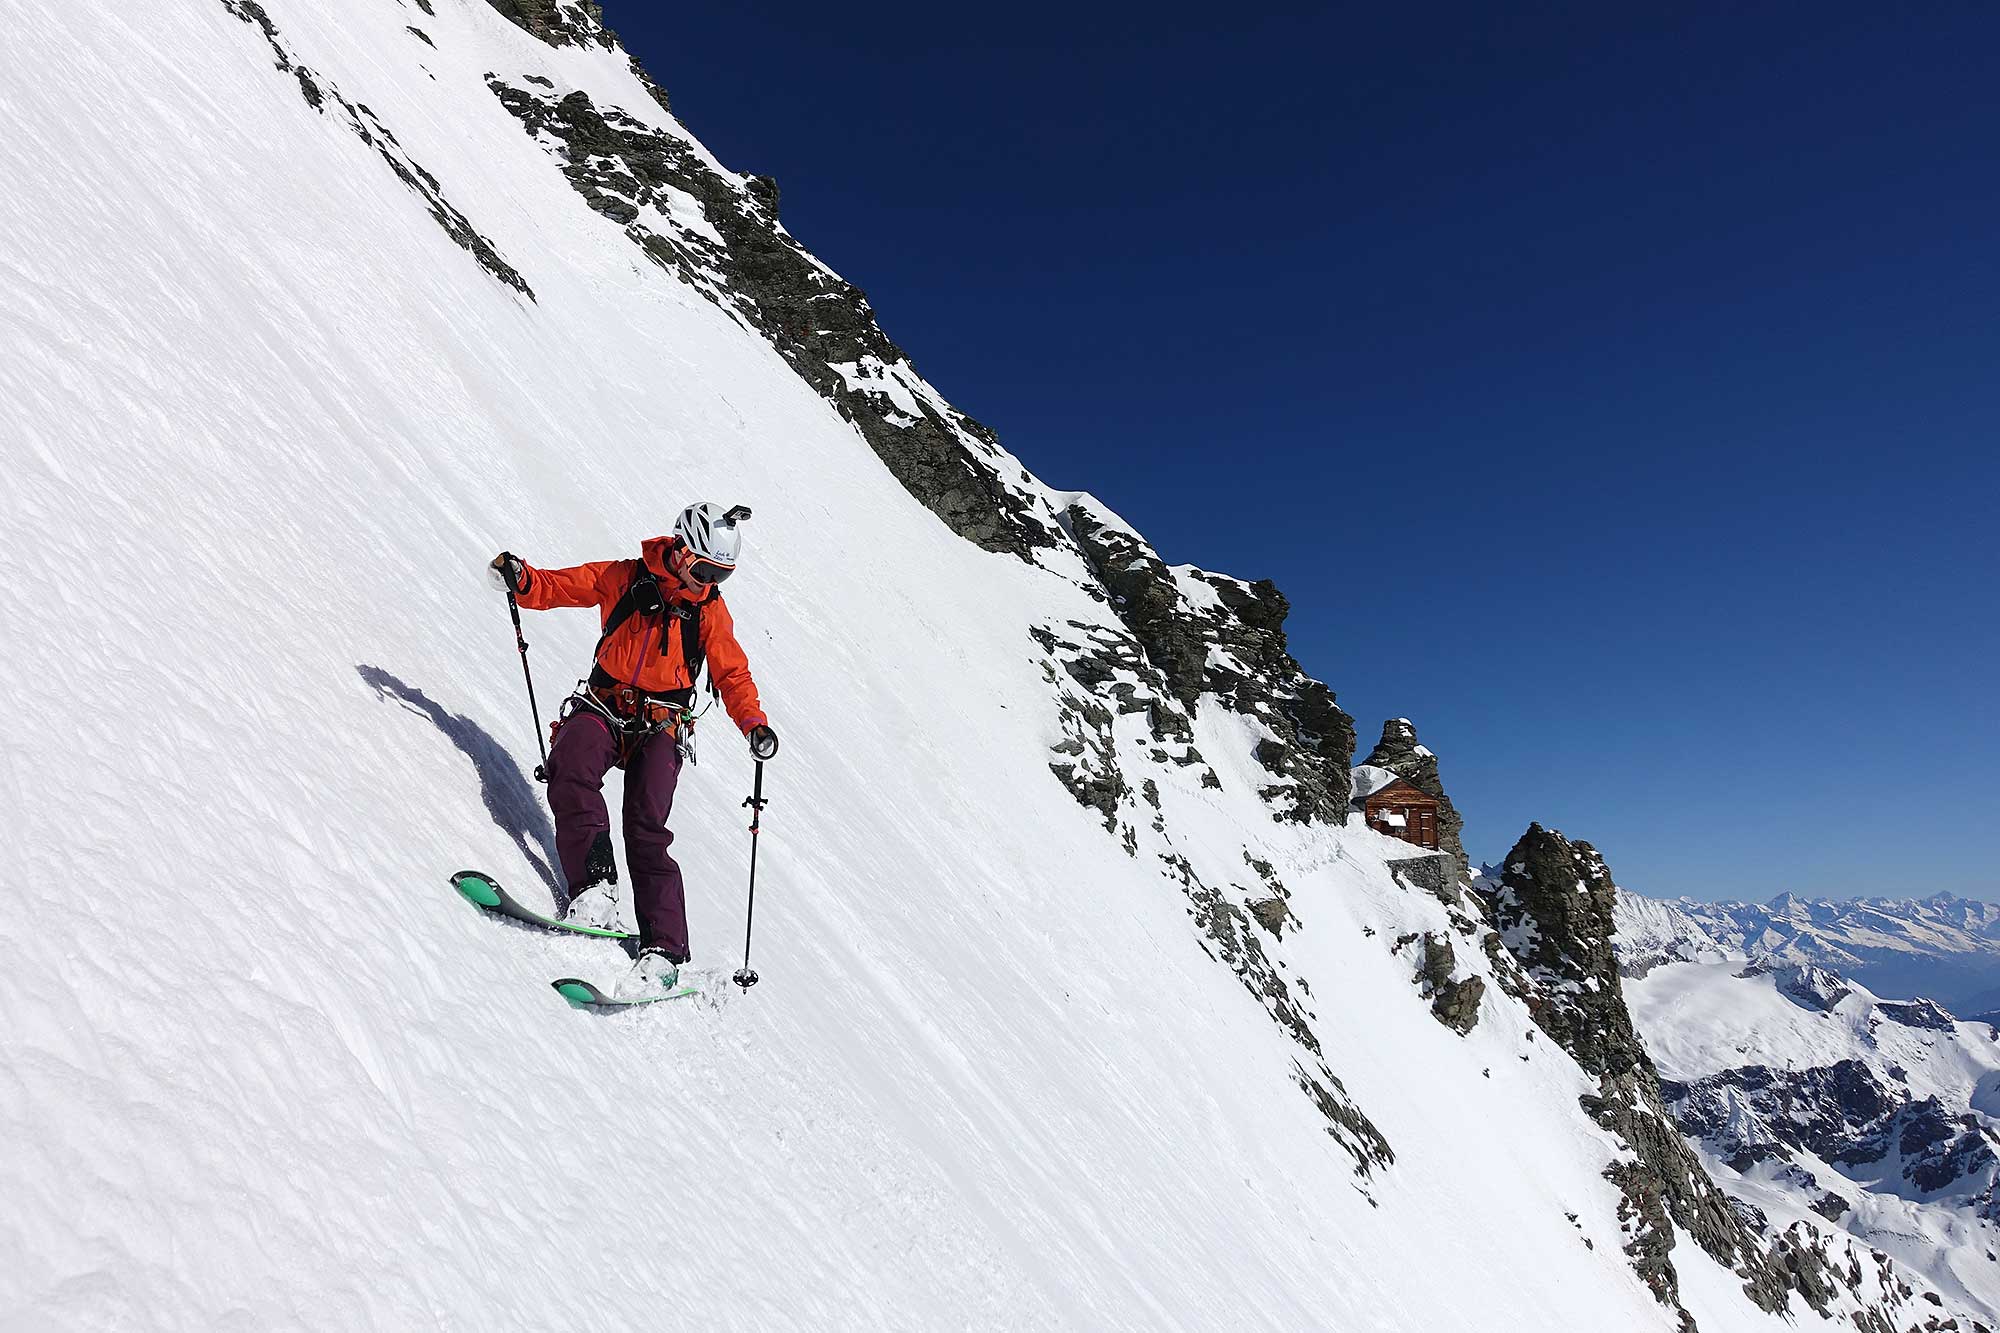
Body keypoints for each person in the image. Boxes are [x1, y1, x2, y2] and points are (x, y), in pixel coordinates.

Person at [490, 502, 779, 999]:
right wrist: (523, 580)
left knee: (646, 825)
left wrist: (753, 723)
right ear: (681, 550)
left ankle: (665, 950)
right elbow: (562, 586)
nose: (710, 583)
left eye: (722, 575)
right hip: (603, 704)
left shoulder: (709, 611)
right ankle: (595, 889)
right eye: (706, 571)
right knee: (571, 765)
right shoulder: (624, 577)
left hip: (663, 723)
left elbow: (732, 674)